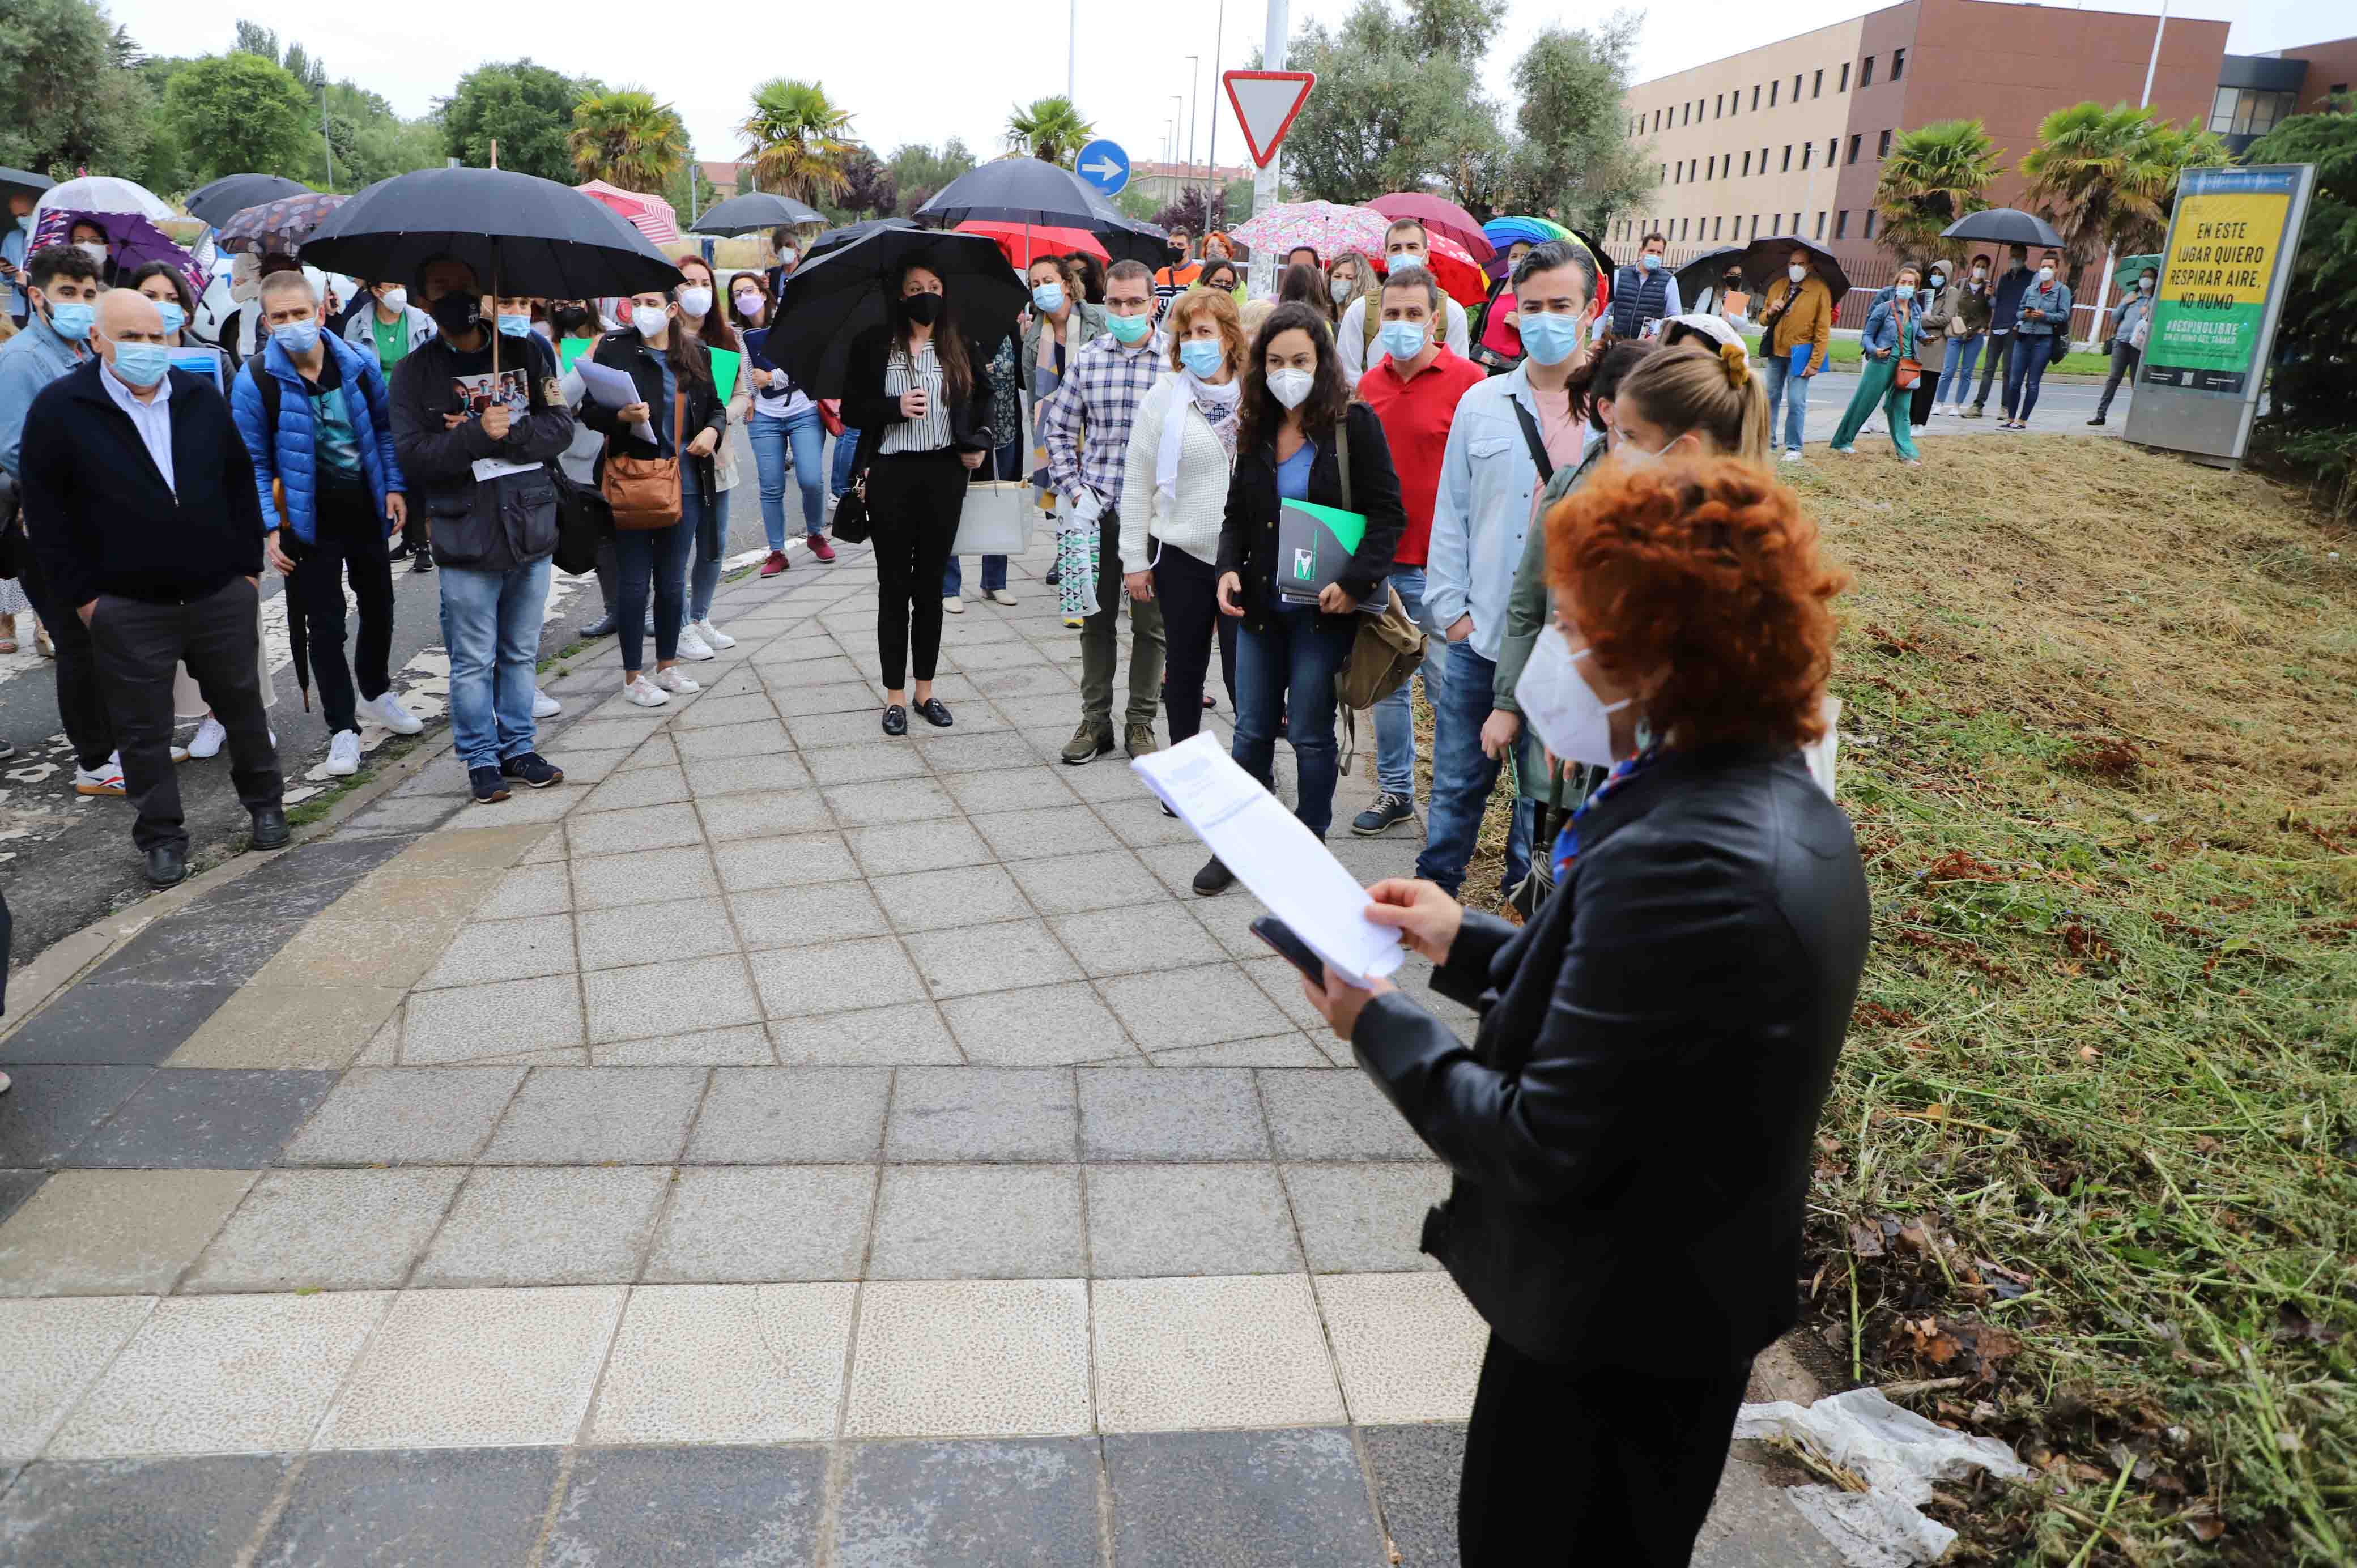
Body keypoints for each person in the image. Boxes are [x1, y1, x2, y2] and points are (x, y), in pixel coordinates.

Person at [1300, 455, 1867, 1568]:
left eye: (1576, 626)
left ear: (1661, 649)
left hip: (1615, 1336)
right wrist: (1458, 940)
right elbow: (1637, 1010)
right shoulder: (1765, 801)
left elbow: (1541, 1133)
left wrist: (1374, 1019)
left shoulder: (1689, 857)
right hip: (1671, 1307)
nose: (1554, 651)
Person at [20, 289, 287, 888]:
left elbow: (238, 481)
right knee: (142, 730)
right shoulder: (62, 409)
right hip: (127, 604)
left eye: (156, 335)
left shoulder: (197, 396)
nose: (147, 349)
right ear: (97, 341)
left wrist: (247, 570)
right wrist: (87, 601)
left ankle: (266, 805)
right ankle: (163, 838)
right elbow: (48, 516)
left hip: (218, 591)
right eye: (131, 338)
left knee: (242, 707)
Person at [1197, 301, 1402, 894]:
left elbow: (1387, 514)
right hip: (1259, 610)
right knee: (1251, 730)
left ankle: (1309, 841)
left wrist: (1356, 582)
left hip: (1321, 613)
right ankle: (1236, 847)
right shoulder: (1256, 424)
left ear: (1322, 361)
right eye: (1276, 360)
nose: (1288, 370)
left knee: (1311, 734)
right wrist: (1226, 569)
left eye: (1301, 360)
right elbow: (1235, 514)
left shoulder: (1352, 424)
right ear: (1260, 365)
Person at [1418, 240, 1601, 902]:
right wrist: (1454, 614)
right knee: (1458, 780)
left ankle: (1527, 902)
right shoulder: (1482, 401)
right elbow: (1452, 514)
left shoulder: (1613, 412)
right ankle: (1433, 887)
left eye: (1561, 304)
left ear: (1590, 308)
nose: (1546, 318)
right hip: (1483, 633)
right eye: (1533, 306)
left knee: (1543, 796)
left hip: (1567, 649)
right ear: (1513, 315)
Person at [389, 254, 572, 805]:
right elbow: (415, 457)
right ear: (423, 300)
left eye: (465, 285)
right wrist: (472, 434)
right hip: (464, 532)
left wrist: (507, 428)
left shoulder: (527, 350)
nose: (456, 296)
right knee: (473, 658)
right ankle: (481, 758)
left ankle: (519, 747)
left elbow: (559, 426)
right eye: (442, 288)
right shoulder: (413, 373)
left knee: (520, 650)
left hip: (530, 522)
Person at [233, 270, 422, 779]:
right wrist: (270, 526)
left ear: (320, 312)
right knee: (325, 626)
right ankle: (343, 728)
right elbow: (251, 461)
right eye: (281, 317)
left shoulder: (356, 364)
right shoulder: (255, 380)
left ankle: (377, 691)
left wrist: (394, 486)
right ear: (268, 324)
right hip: (305, 522)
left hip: (364, 509)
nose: (293, 324)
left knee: (380, 604)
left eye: (301, 313)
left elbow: (383, 429)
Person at [1491, 339, 1658, 849]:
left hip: (1640, 739)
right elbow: (1528, 605)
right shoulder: (1567, 491)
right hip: (1561, 731)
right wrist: (1508, 702)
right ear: (1608, 411)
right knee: (1545, 863)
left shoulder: (1680, 500)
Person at [1353, 262, 1487, 838]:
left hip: (1444, 570)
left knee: (1448, 693)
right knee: (1387, 689)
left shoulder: (1469, 383)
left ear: (1436, 319)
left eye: (1413, 314)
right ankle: (1396, 792)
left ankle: (1456, 807)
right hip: (1382, 564)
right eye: (1392, 314)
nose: (1402, 324)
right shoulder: (1366, 386)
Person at [840, 262, 993, 735]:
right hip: (891, 473)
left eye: (933, 287)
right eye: (915, 289)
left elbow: (985, 400)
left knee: (931, 586)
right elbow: (852, 408)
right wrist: (894, 407)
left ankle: (926, 690)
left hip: (944, 473)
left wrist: (977, 445)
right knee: (894, 587)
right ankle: (895, 697)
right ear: (900, 296)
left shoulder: (960, 344)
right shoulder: (873, 344)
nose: (925, 296)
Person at [0, 243, 121, 796]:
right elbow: (13, 449)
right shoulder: (23, 359)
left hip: (91, 518)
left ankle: (121, 742)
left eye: (89, 294)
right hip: (42, 525)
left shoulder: (81, 351)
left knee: (106, 637)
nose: (80, 303)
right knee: (76, 640)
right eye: (67, 293)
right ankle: (95, 760)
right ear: (36, 296)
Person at [1041, 258, 1168, 764]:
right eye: (1115, 302)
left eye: (1135, 302)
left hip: (1153, 518)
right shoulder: (1090, 359)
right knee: (1092, 620)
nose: (1125, 310)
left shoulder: (1175, 365)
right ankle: (1096, 721)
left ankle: (1140, 723)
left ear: (1153, 303)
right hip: (1094, 512)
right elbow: (1058, 428)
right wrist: (1073, 491)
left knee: (1150, 626)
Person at [582, 284, 726, 710]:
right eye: (636, 304)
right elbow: (590, 411)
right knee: (632, 583)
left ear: (672, 310)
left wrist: (712, 430)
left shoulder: (695, 352)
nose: (642, 312)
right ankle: (632, 675)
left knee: (671, 581)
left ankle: (667, 664)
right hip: (632, 479)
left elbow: (716, 405)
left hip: (685, 479)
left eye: (651, 304)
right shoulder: (614, 347)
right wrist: (620, 417)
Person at [1119, 286, 1244, 755]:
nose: (1195, 341)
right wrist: (1135, 559)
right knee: (1186, 669)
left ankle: (1254, 769)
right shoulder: (1164, 396)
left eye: (1205, 331)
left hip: (1244, 560)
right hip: (1182, 556)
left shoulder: (1257, 395)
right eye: (1187, 333)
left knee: (1243, 674)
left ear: (1229, 338)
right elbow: (1138, 482)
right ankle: (1186, 771)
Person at [669, 255, 742, 659]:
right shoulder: (662, 341)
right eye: (687, 282)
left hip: (717, 457)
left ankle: (700, 618)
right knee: (678, 547)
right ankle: (678, 627)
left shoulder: (727, 339)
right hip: (680, 462)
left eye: (703, 282)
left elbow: (742, 394)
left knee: (713, 545)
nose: (696, 289)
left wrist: (717, 422)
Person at [729, 270, 823, 577]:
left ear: (763, 291)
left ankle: (815, 534)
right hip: (764, 417)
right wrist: (750, 397)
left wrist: (773, 377)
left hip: (803, 408)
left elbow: (806, 359)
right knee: (771, 485)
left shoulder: (788, 318)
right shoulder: (736, 333)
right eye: (737, 293)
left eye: (750, 290)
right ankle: (777, 552)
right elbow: (743, 372)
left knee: (810, 479)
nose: (745, 297)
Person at [1024, 253, 1107, 585]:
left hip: (1096, 423)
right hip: (1056, 429)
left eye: (1048, 280)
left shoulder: (1096, 320)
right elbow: (1033, 394)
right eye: (1035, 284)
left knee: (1099, 496)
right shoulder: (1033, 336)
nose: (1042, 288)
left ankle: (1102, 560)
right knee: (1063, 496)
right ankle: (1069, 557)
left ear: (1067, 283)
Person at [943, 327, 1024, 616]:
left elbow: (1023, 380)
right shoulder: (953, 337)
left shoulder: (1009, 333)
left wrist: (1026, 340)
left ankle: (994, 581)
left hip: (1005, 431)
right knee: (952, 507)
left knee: (998, 504)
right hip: (966, 435)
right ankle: (949, 586)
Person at [1339, 220, 1471, 387]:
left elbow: (1458, 377)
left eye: (1412, 247)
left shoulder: (1452, 312)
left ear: (1426, 256)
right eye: (1396, 249)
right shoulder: (1361, 310)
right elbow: (1348, 373)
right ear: (1386, 258)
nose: (1404, 254)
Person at [1830, 261, 1924, 463]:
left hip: (1907, 364)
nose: (1906, 286)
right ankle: (1843, 441)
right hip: (1882, 360)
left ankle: (1906, 453)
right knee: (1865, 402)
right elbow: (1867, 334)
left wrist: (1925, 338)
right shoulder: (1884, 307)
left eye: (1911, 283)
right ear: (1896, 284)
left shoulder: (1916, 311)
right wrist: (1873, 350)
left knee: (1902, 409)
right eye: (1903, 282)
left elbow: (1916, 333)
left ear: (1916, 288)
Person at [1755, 246, 1833, 464]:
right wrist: (1770, 312)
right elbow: (1762, 319)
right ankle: (1767, 442)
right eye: (1792, 263)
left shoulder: (1819, 290)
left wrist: (1816, 361)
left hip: (1801, 353)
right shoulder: (1777, 287)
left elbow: (1823, 329)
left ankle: (1794, 446)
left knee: (1797, 401)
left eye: (1800, 264)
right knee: (1769, 398)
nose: (1795, 268)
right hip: (1776, 352)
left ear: (1809, 267)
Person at [2002, 249, 2071, 431]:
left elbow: (2064, 316)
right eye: (2043, 266)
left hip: (2044, 339)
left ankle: (2023, 420)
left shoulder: (2062, 290)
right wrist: (2025, 314)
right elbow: (2018, 311)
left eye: (2050, 267)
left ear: (2056, 269)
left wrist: (2045, 315)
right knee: (2014, 381)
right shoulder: (2031, 289)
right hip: (2024, 336)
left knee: (2032, 382)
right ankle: (2010, 418)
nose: (2045, 270)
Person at [1967, 244, 2033, 419]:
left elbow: (2031, 304)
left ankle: (2006, 407)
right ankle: (1978, 405)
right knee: (1988, 369)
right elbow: (1997, 304)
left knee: (2008, 371)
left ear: (2025, 257)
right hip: (1998, 327)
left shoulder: (2032, 279)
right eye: (2012, 256)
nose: (2014, 259)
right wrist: (1990, 296)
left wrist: (2019, 323)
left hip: (2014, 328)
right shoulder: (2003, 279)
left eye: (2018, 256)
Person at [2090, 266, 2156, 428]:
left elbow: (2155, 323)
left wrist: (2146, 313)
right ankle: (2100, 414)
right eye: (2143, 276)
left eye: (2149, 277)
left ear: (2155, 281)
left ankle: (2137, 419)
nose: (2145, 280)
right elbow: (2114, 318)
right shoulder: (2131, 296)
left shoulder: (2155, 300)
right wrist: (2125, 304)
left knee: (2137, 382)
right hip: (2121, 342)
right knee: (2113, 379)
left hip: (2139, 346)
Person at [1930, 255, 1991, 417]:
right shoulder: (1961, 284)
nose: (1980, 269)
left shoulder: (1989, 288)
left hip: (1975, 335)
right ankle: (1939, 403)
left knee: (1966, 372)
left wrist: (1984, 326)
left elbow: (1990, 311)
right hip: (1957, 332)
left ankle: (1957, 405)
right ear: (1972, 266)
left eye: (1984, 267)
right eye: (1978, 265)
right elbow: (1951, 304)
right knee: (1948, 370)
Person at [1603, 232, 1680, 342]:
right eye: (1651, 251)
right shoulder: (1619, 275)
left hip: (1646, 348)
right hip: (1618, 344)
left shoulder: (1669, 281)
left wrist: (1658, 336)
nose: (1655, 255)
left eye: (1659, 253)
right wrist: (1596, 338)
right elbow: (1605, 310)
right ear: (1641, 251)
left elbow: (1675, 318)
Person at [1472, 240, 1534, 374]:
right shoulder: (1496, 286)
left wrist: (1522, 325)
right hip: (1481, 359)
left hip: (1509, 367)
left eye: (1524, 256)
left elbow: (1540, 333)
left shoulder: (1536, 294)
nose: (1518, 260)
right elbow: (1481, 321)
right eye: (1514, 256)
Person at [1909, 258, 1954, 433]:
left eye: (1940, 274)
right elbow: (1915, 313)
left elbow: (1946, 318)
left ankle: (1920, 424)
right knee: (1914, 384)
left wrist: (1924, 319)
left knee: (1928, 385)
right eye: (1934, 274)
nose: (1936, 277)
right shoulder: (1925, 292)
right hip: (1919, 342)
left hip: (1936, 344)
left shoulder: (1952, 293)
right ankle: (1910, 420)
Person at [1, 191, 34, 327]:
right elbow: (4, 279)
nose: (20, 220)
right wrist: (8, 273)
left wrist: (30, 279)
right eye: (16, 216)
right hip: (19, 310)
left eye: (24, 215)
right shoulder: (12, 238)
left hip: (42, 308)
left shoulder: (50, 237)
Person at [1152, 228, 1201, 320]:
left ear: (1189, 249)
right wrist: (1176, 301)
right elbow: (1153, 307)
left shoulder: (1199, 273)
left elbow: (1190, 307)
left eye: (1180, 245)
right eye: (1172, 244)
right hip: (1162, 331)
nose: (1175, 248)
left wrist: (1163, 304)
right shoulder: (1161, 273)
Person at [1325, 251, 1372, 333]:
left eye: (1349, 278)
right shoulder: (1323, 317)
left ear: (1361, 283)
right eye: (1337, 276)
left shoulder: (1367, 317)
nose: (1342, 282)